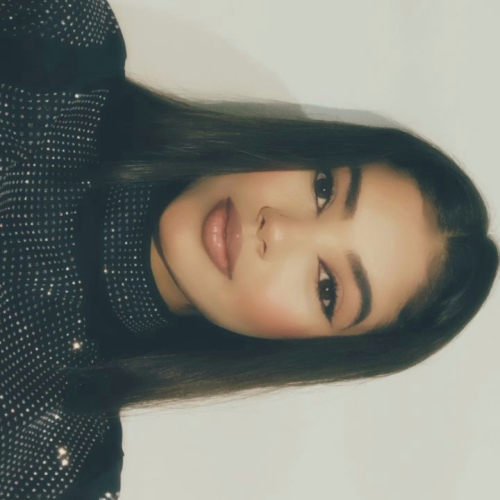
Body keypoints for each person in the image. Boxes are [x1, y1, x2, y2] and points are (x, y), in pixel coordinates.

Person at [1, 1, 498, 499]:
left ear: (307, 350)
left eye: (327, 288)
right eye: (323, 189)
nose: (277, 230)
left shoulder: (55, 466)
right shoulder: (58, 36)